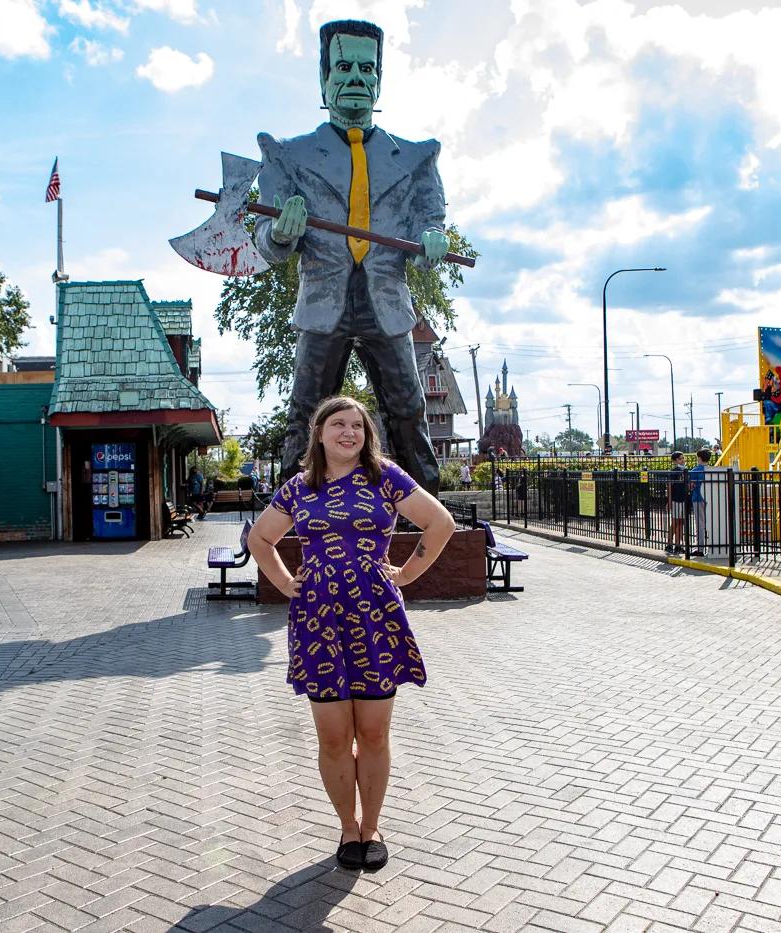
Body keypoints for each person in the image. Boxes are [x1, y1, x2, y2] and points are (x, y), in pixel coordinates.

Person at [249, 396, 456, 873]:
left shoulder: (386, 477)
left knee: (375, 732)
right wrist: (285, 582)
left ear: (366, 435)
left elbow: (439, 523)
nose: (348, 433)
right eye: (338, 424)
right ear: (319, 434)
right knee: (334, 736)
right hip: (319, 620)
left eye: (357, 426)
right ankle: (347, 826)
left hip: (376, 618)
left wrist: (405, 574)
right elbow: (260, 539)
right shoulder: (299, 488)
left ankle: (372, 827)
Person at [256, 19, 448, 495]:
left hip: (387, 302)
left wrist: (432, 242)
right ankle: (294, 508)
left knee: (406, 407)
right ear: (323, 79)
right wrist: (281, 229)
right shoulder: (286, 154)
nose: (356, 78)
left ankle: (422, 506)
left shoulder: (417, 157)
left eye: (367, 68)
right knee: (307, 409)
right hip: (324, 304)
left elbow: (431, 223)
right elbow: (266, 239)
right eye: (343, 67)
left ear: (380, 78)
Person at [666, 451, 690, 554]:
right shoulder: (674, 471)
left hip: (684, 499)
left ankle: (678, 545)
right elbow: (670, 487)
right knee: (675, 522)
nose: (682, 460)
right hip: (676, 499)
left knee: (681, 522)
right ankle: (669, 543)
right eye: (680, 458)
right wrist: (669, 501)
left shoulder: (686, 471)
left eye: (683, 458)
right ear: (675, 461)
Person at [688, 448, 711, 557]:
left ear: (699, 458)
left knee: (700, 523)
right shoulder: (712, 470)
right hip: (710, 498)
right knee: (711, 522)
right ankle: (713, 546)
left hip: (698, 498)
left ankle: (700, 547)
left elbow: (691, 485)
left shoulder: (695, 470)